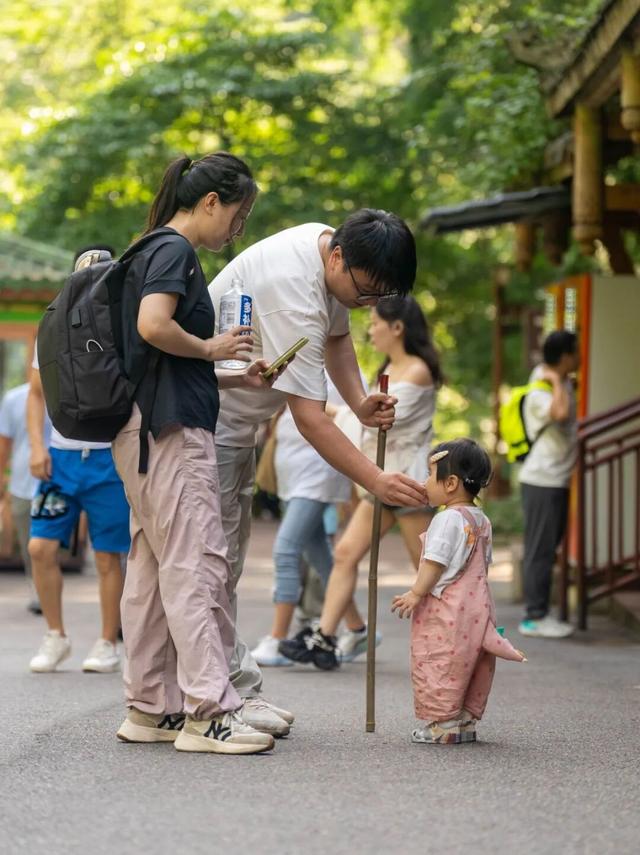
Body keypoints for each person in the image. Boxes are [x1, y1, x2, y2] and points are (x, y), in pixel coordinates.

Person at [209, 208, 426, 731]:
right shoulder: (294, 286)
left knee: (225, 565)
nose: (366, 305)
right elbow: (308, 416)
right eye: (366, 291)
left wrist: (357, 402)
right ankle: (208, 700)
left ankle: (229, 689)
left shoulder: (324, 252)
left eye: (378, 299)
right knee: (207, 566)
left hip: (237, 427)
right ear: (338, 257)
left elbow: (336, 340)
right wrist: (373, 480)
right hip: (207, 425)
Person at [112, 152, 286, 755]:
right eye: (237, 217)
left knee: (154, 567)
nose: (237, 230)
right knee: (196, 564)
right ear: (210, 202)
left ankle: (149, 707)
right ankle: (209, 712)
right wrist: (214, 349)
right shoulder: (175, 251)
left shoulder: (145, 247)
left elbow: (158, 355)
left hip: (140, 431)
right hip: (172, 433)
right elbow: (154, 326)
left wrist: (236, 376)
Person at [279, 295, 442, 669]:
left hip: (409, 482)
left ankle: (450, 632)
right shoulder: (390, 367)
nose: (370, 329)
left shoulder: (417, 370)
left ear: (396, 327)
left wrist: (318, 407)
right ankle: (325, 636)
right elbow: (367, 418)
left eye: (374, 322)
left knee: (428, 567)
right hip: (383, 479)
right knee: (345, 553)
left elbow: (379, 421)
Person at [27, 244, 130, 675]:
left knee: (108, 555)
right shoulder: (52, 327)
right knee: (40, 546)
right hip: (60, 458)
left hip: (108, 458)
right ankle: (55, 636)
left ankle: (108, 641)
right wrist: (36, 446)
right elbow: (35, 394)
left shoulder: (125, 326)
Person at [392, 439, 526, 745]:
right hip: (477, 604)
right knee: (470, 660)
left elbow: (434, 562)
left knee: (441, 659)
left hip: (446, 607)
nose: (425, 482)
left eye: (430, 474)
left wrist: (415, 592)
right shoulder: (481, 519)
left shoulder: (446, 519)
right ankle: (464, 719)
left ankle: (444, 723)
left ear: (450, 483)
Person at [251, 379, 352, 667]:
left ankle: (278, 638)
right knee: (320, 557)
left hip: (318, 472)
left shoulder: (340, 366)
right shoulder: (296, 356)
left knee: (286, 549)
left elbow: (352, 418)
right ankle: (358, 629)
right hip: (295, 474)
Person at [518, 329, 579, 639]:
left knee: (547, 547)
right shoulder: (542, 387)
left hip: (555, 478)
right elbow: (561, 413)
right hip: (542, 478)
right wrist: (557, 381)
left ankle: (540, 613)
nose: (580, 356)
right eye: (576, 351)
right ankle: (534, 617)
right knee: (540, 549)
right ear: (565, 356)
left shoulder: (560, 381)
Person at [0, 381, 50, 613]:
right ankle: (38, 589)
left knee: (48, 542)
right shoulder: (13, 398)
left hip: (58, 481)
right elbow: (4, 445)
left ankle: (46, 590)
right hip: (22, 481)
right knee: (30, 543)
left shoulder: (64, 393)